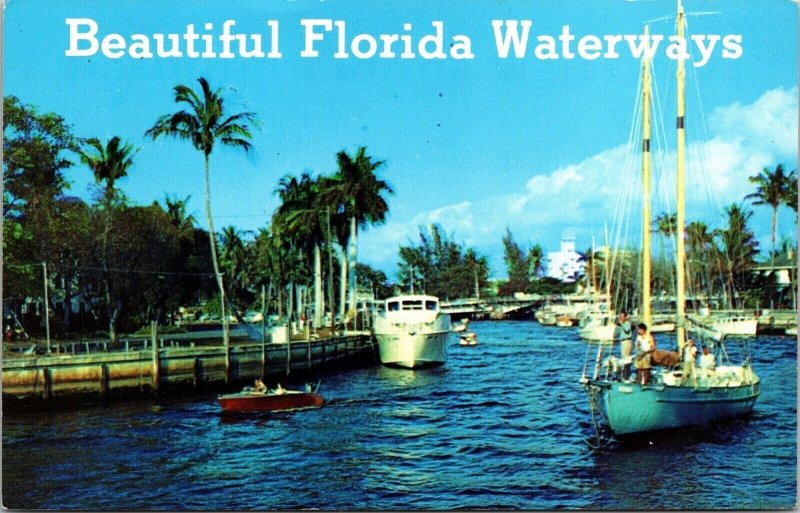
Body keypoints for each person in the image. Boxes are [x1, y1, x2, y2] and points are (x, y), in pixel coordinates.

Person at [614, 311, 633, 380]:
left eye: (622, 317)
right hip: (622, 342)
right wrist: (617, 327)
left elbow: (627, 330)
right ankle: (623, 374)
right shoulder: (621, 325)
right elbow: (615, 334)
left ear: (625, 317)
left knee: (627, 359)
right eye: (620, 317)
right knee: (623, 359)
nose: (621, 318)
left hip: (627, 341)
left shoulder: (627, 324)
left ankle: (627, 375)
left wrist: (622, 324)